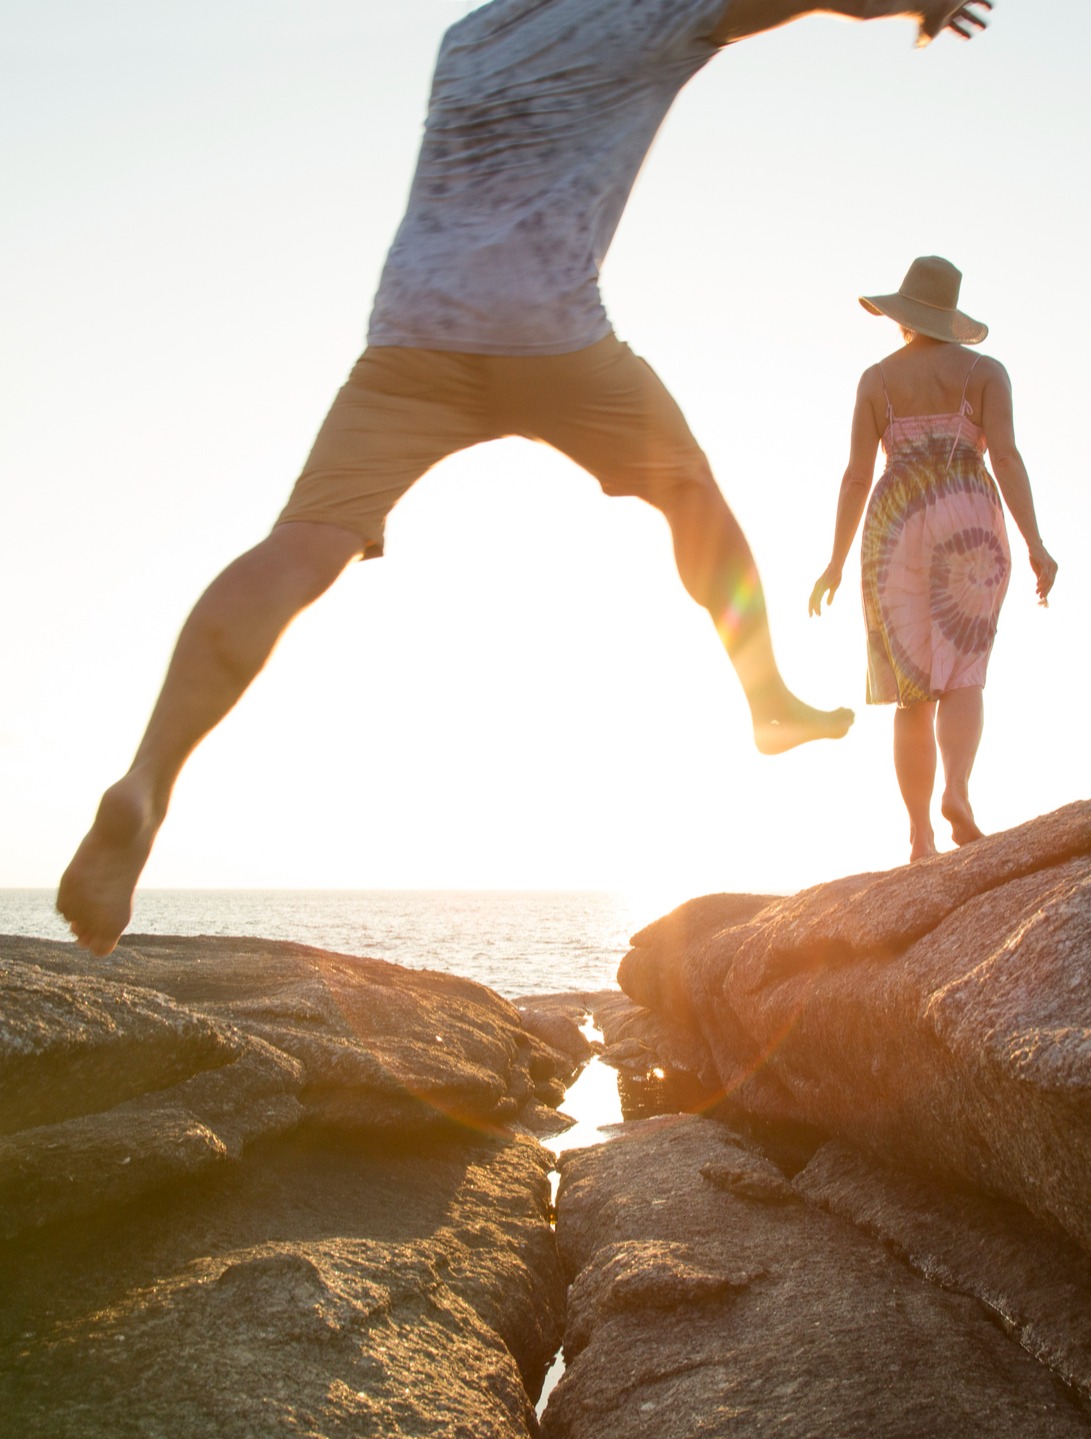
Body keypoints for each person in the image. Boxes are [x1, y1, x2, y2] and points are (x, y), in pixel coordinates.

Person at [58, 1, 993, 955]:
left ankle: (148, 776)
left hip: (410, 335)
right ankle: (766, 698)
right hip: (554, 335)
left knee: (300, 546)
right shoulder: (647, 14)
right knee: (689, 495)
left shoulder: (468, 36)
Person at [809, 255, 1057, 862]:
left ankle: (920, 834)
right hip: (967, 521)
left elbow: (855, 476)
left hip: (894, 529)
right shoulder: (985, 372)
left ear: (903, 315)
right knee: (965, 672)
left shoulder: (876, 380)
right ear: (949, 315)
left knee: (910, 690)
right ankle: (958, 793)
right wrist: (1036, 543)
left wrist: (835, 562)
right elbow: (1007, 458)